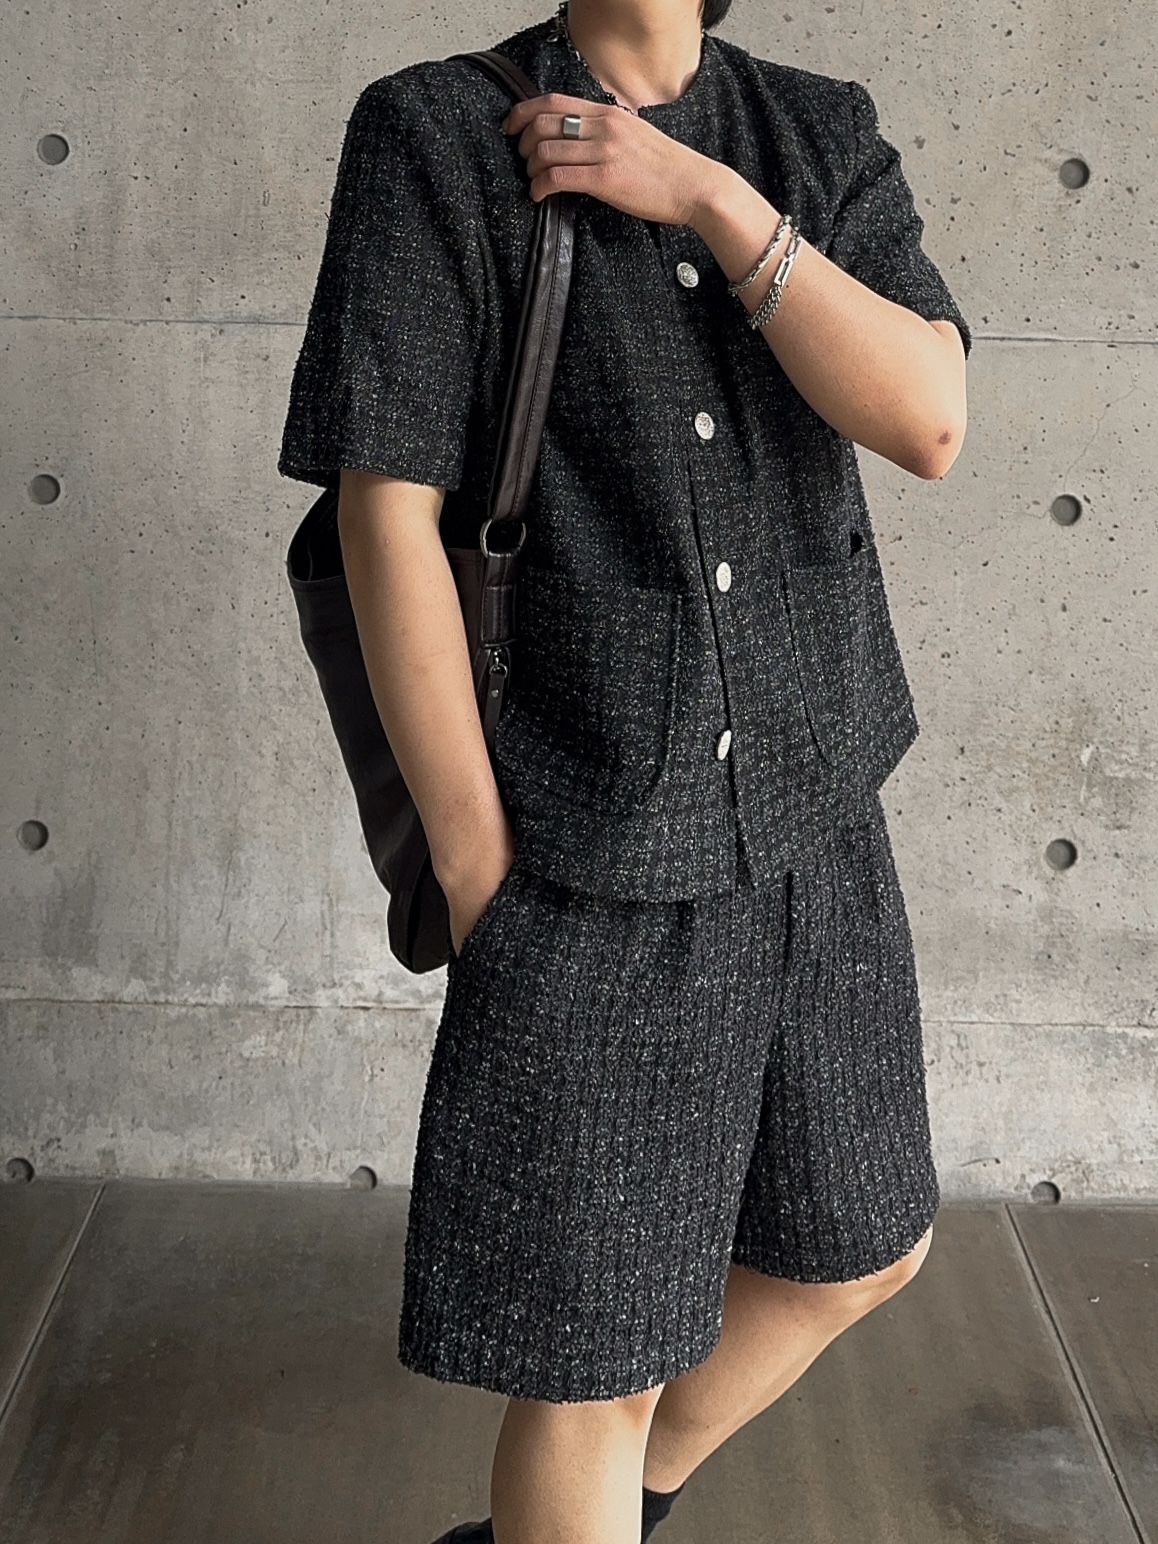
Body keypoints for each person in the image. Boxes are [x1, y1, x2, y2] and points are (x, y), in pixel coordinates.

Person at [278, 0, 971, 1539]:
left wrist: (705, 197)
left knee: (861, 1248)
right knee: (595, 1372)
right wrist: (474, 864)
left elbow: (928, 418)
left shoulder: (815, 131)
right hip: (588, 835)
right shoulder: (434, 133)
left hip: (816, 811)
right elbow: (385, 508)